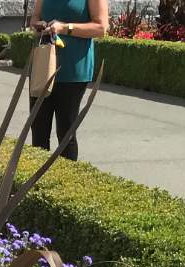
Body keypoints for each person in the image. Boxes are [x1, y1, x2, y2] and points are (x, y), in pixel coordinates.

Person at [28, 0, 107, 161]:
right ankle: (37, 183)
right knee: (38, 131)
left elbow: (101, 27)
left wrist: (64, 28)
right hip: (43, 67)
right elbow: (34, 17)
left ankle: (64, 182)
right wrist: (38, 25)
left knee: (66, 134)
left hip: (73, 70)